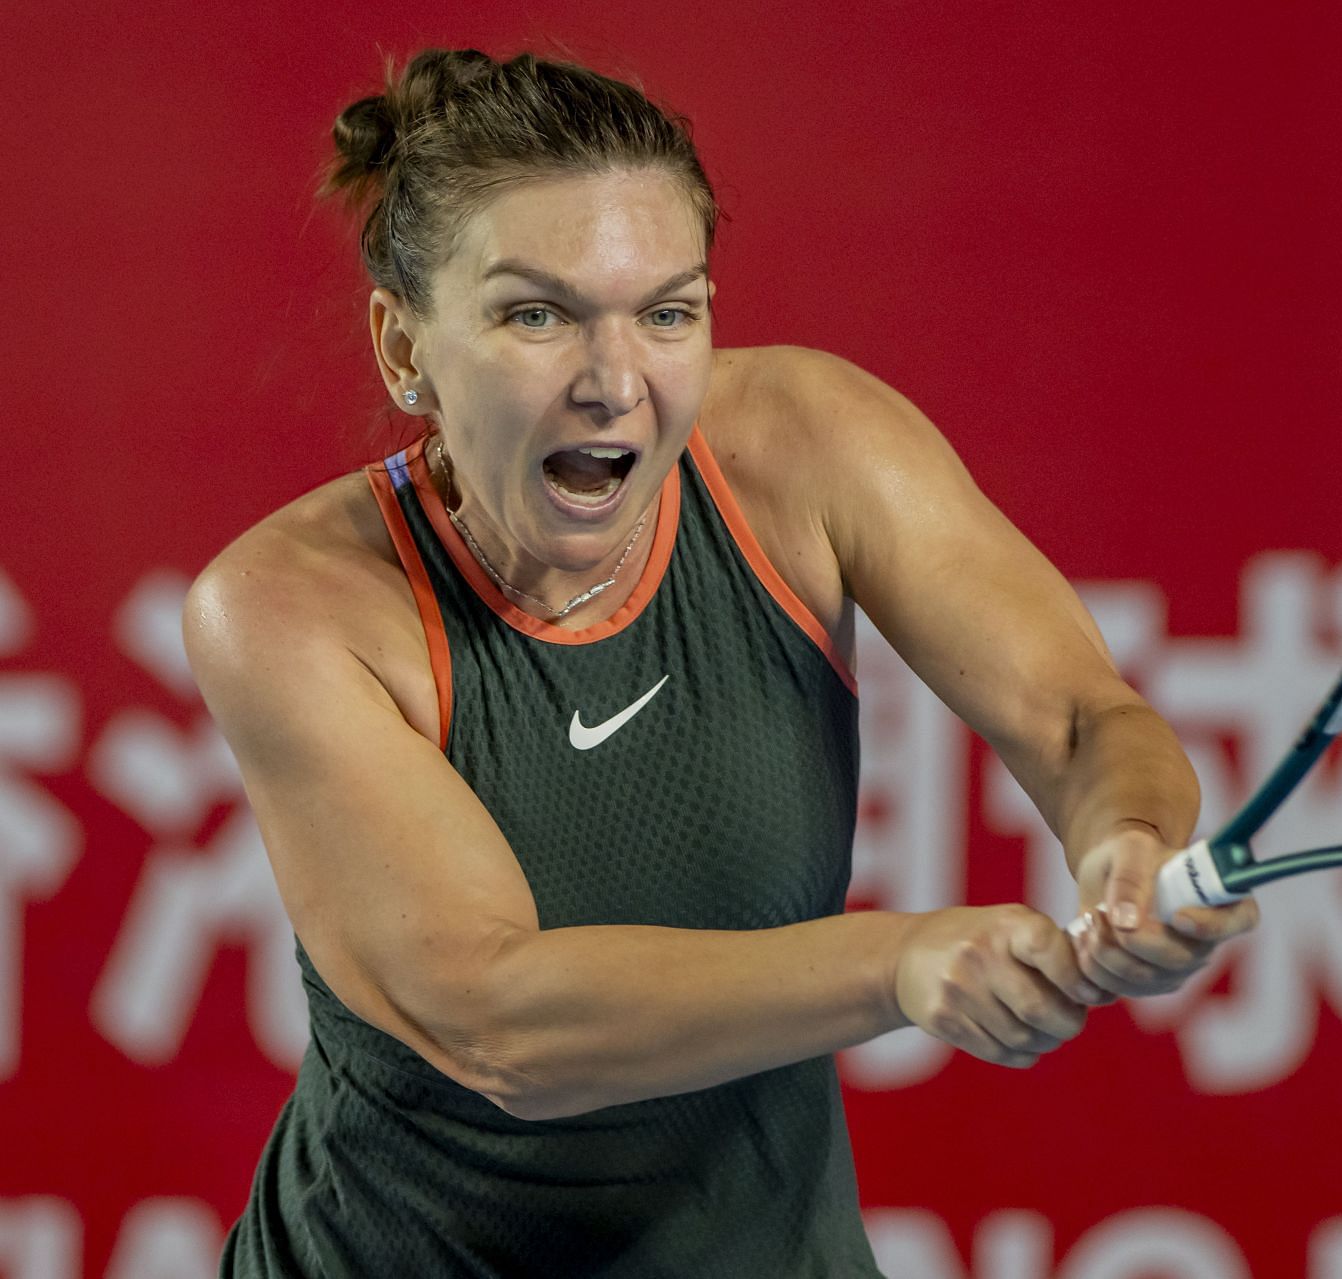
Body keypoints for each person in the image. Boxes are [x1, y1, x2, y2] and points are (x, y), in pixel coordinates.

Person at [186, 46, 1261, 1277]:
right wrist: (896, 960)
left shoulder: (806, 448)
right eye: (535, 314)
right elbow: (501, 1020)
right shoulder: (284, 606)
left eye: (668, 312)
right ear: (405, 349)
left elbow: (1078, 718)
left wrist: (1125, 834)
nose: (614, 381)